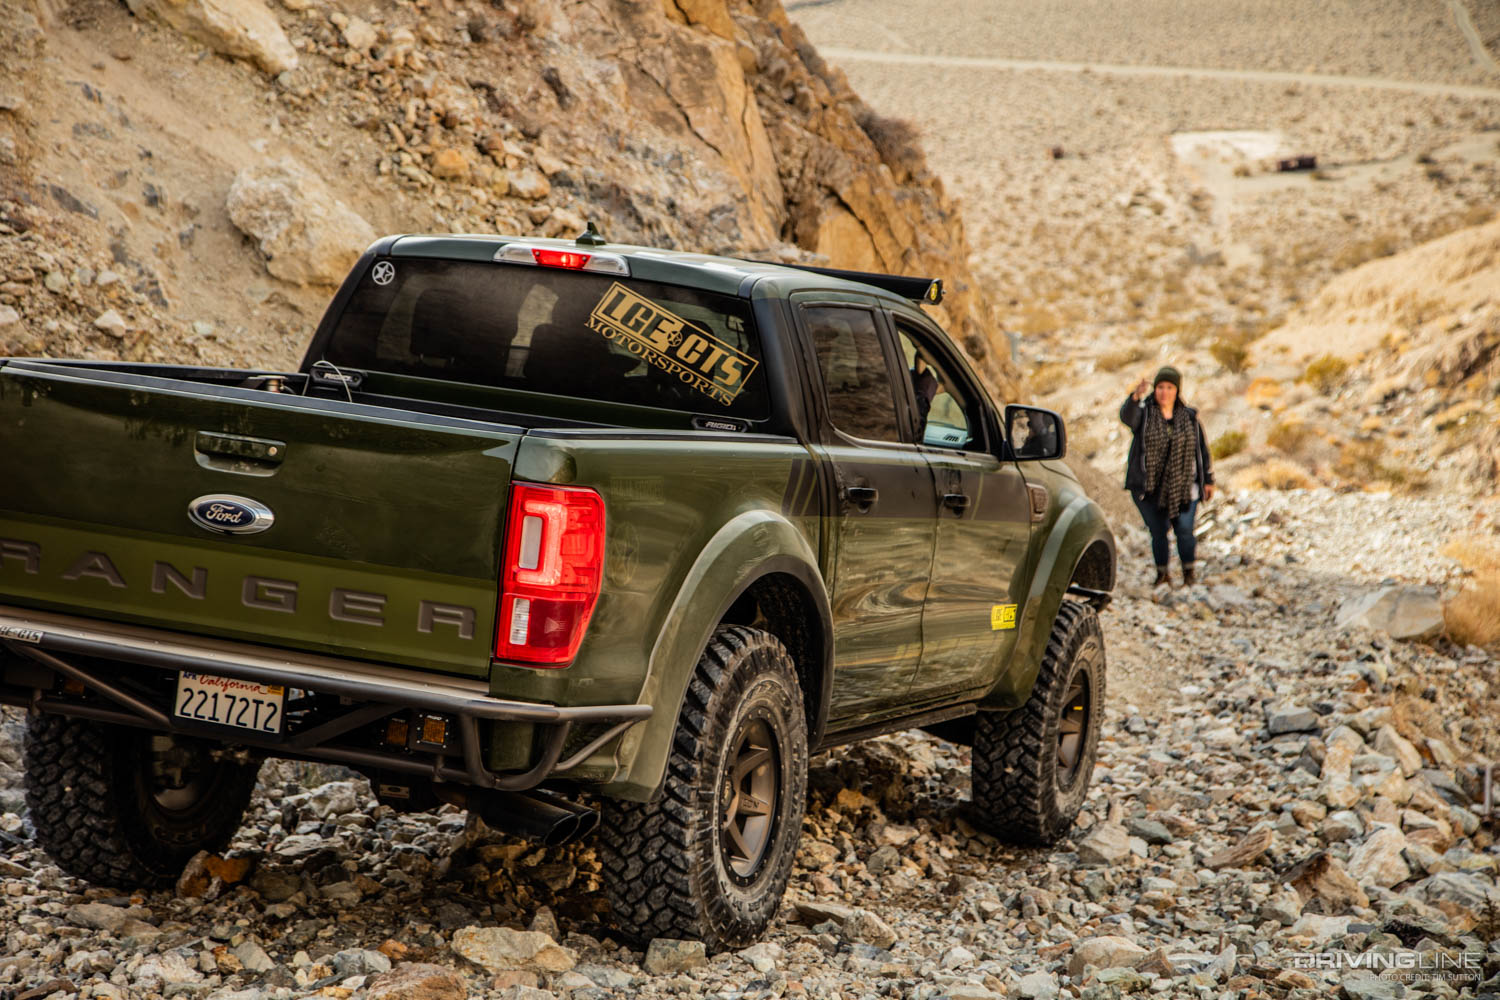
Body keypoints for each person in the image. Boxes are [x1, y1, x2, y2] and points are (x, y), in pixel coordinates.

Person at [1120, 366, 1214, 587]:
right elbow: (1127, 417)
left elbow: (1201, 450)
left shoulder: (1189, 417)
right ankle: (1162, 574)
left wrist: (1208, 480)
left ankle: (1189, 573)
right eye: (1160, 387)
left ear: (1177, 390)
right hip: (1149, 487)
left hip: (1184, 487)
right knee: (1159, 532)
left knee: (1184, 531)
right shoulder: (1143, 414)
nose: (1164, 392)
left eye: (1169, 387)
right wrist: (1134, 397)